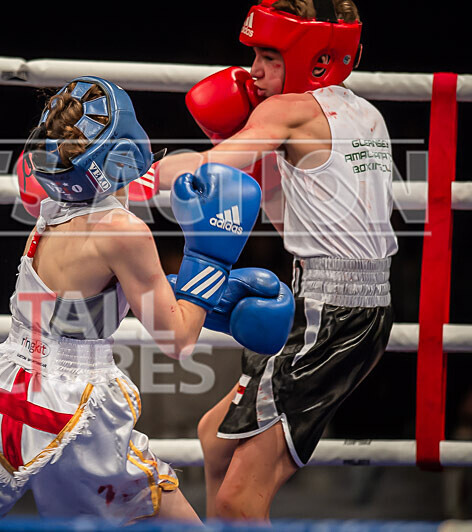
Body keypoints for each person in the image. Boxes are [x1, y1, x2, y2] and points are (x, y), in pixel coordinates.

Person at [0, 76, 291, 524]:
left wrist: (201, 293)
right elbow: (177, 340)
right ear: (127, 145)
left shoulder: (51, 199)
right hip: (76, 409)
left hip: (0, 390)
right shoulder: (124, 232)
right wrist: (210, 257)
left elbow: (90, 292)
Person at [155, 0, 398, 520]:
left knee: (241, 499)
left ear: (312, 58)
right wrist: (242, 143)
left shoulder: (285, 111)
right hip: (347, 306)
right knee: (214, 438)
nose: (253, 72)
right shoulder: (365, 114)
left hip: (327, 316)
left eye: (269, 57)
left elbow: (203, 178)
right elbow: (297, 218)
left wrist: (144, 171)